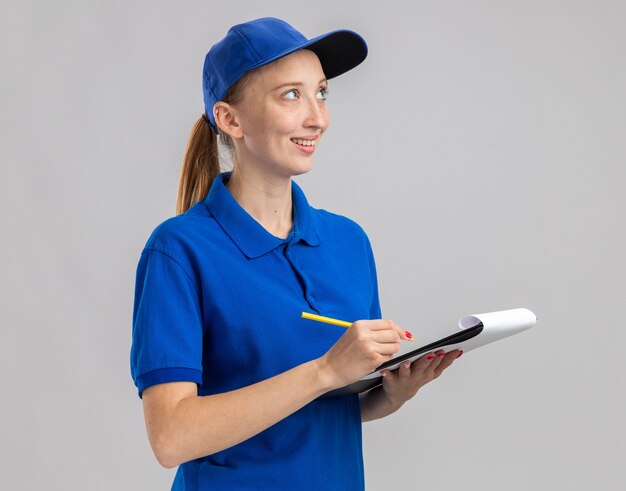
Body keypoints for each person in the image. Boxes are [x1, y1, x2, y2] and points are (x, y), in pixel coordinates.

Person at [130, 16, 462, 490]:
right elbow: (170, 437)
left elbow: (325, 407)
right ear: (230, 119)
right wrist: (325, 369)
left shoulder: (349, 242)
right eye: (291, 95)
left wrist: (390, 394)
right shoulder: (178, 251)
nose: (318, 117)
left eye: (321, 93)